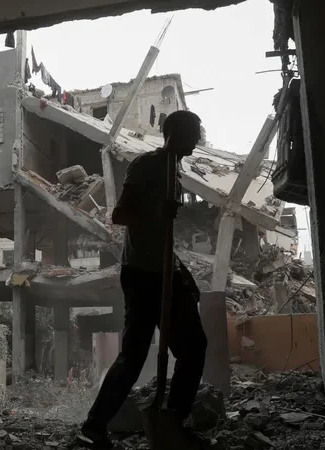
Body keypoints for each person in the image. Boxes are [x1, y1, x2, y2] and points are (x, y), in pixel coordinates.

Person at [77, 110, 209, 449]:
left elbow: (162, 236)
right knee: (134, 356)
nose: (198, 138)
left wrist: (183, 272)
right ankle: (93, 427)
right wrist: (156, 211)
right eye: (194, 131)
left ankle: (173, 421)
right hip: (142, 274)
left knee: (193, 347)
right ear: (175, 133)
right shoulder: (147, 164)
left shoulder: (175, 172)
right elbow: (119, 214)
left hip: (165, 271)